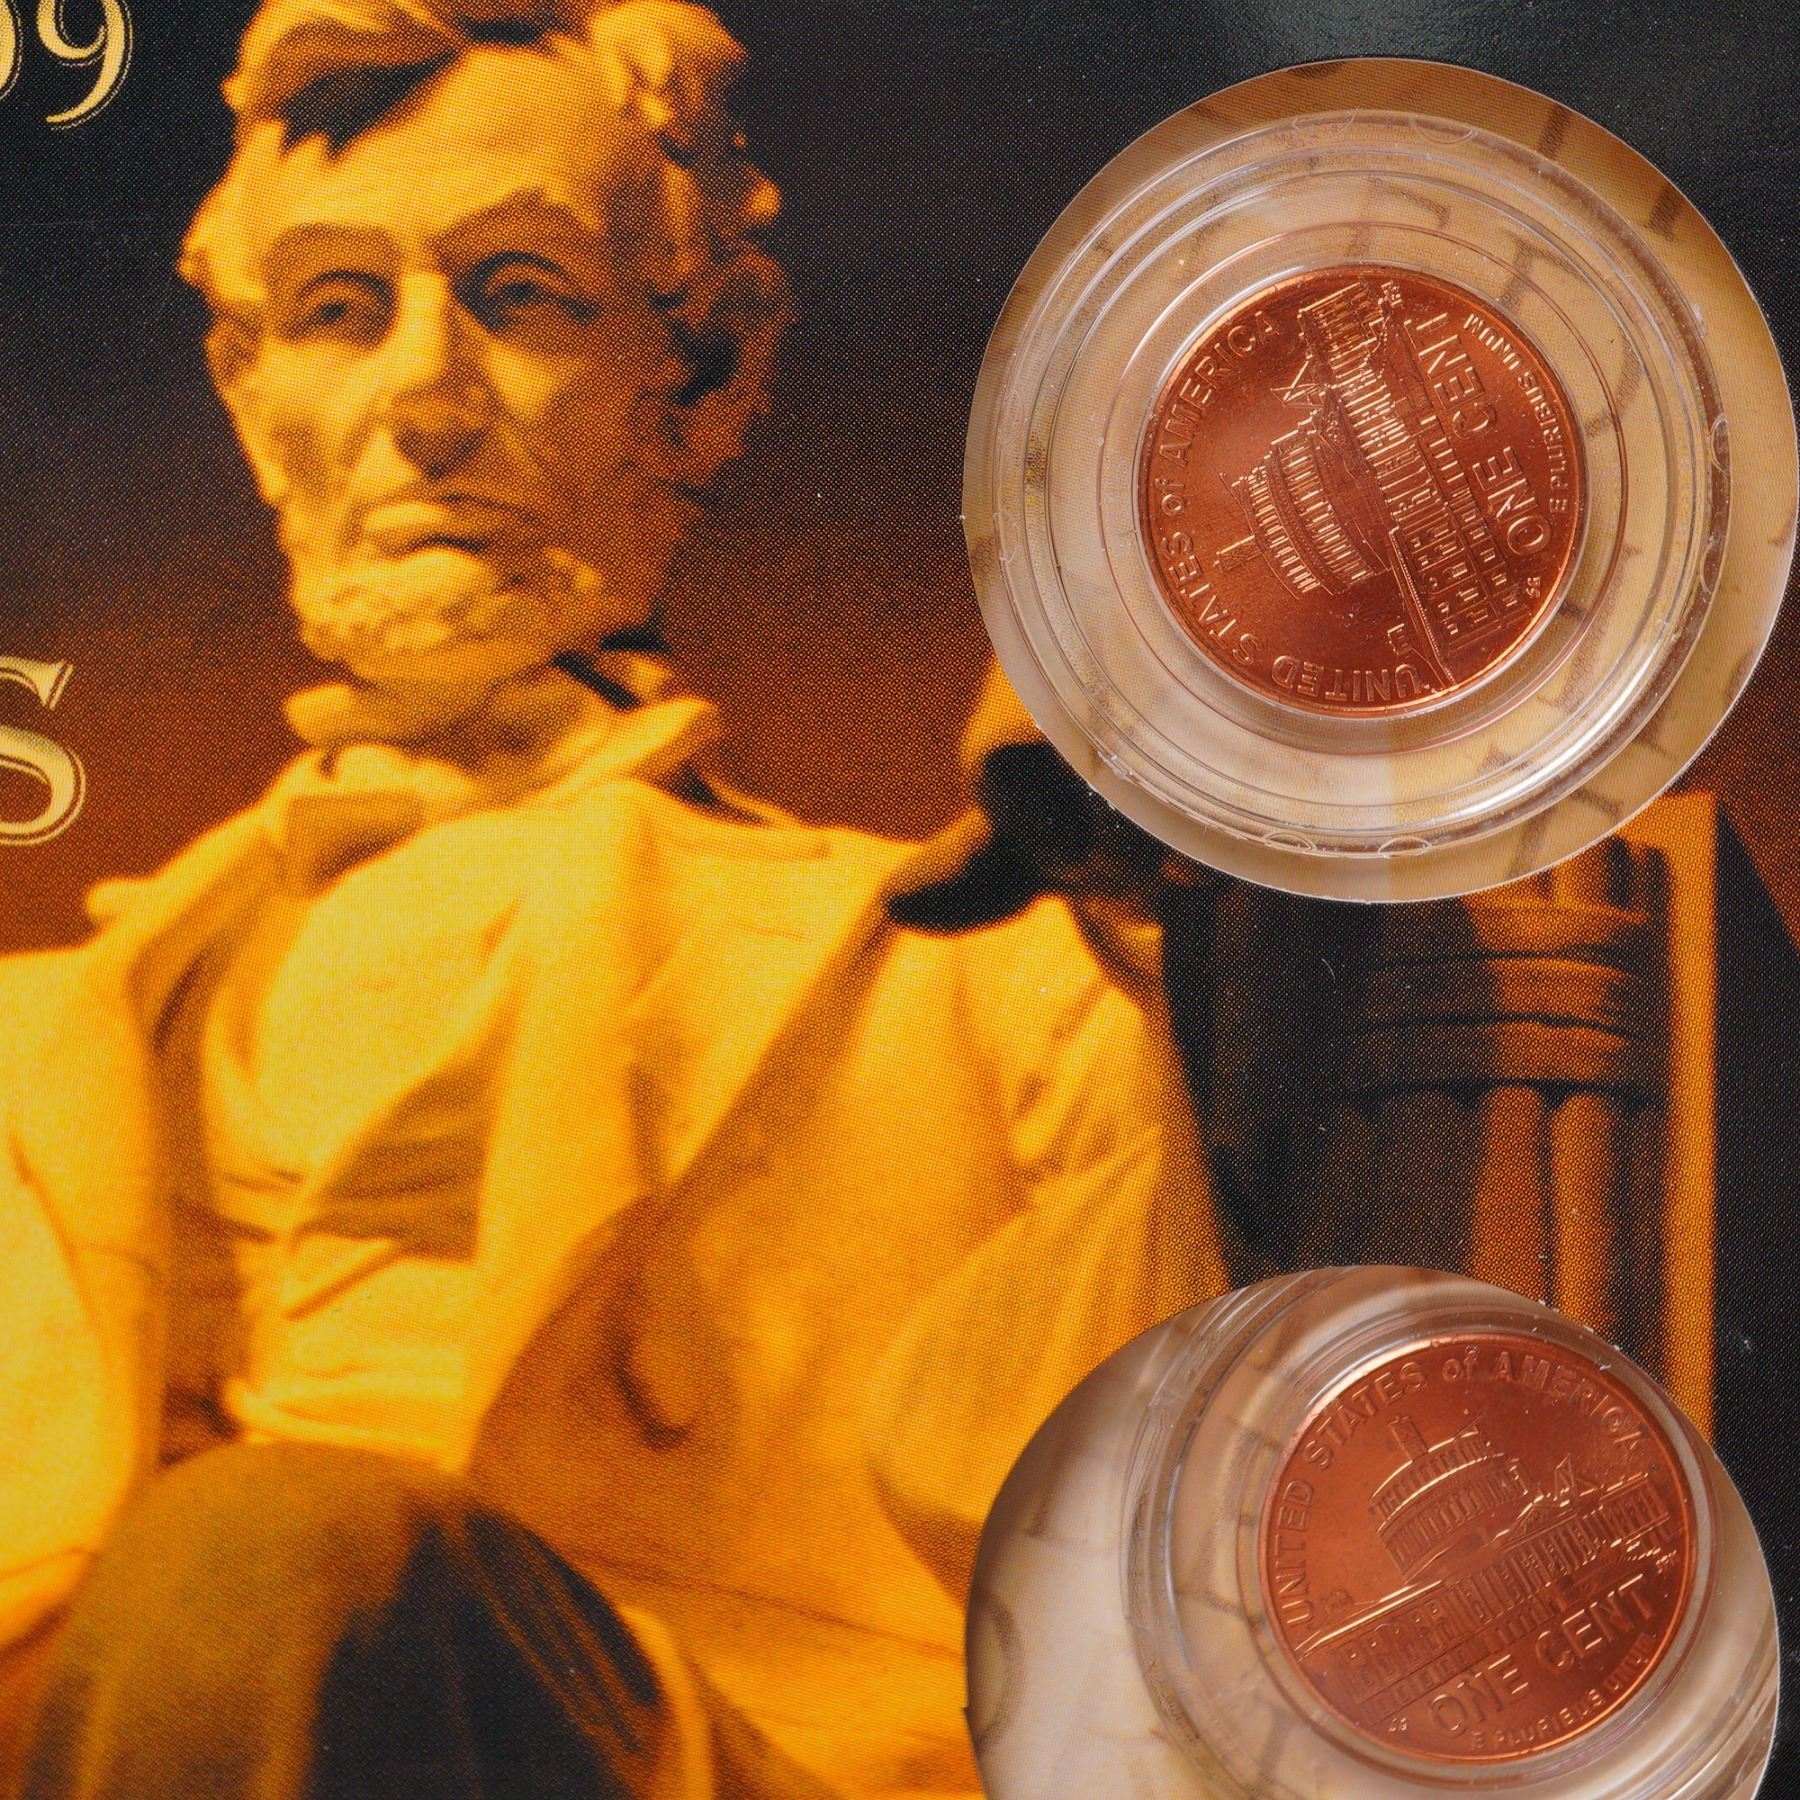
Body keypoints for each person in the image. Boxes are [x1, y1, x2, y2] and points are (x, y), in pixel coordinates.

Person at [0, 2, 1231, 1794]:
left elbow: (1194, 1512)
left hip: (692, 1739)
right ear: (254, 399)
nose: (423, 403)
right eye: (340, 310)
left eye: (521, 297)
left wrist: (1198, 856)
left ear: (705, 380)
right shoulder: (53, 1030)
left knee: (272, 1556)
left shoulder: (988, 968)